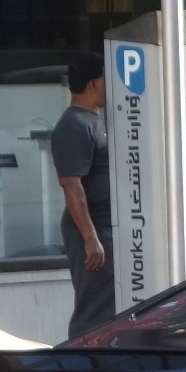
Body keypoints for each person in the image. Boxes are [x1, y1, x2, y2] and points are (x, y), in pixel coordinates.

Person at [53, 53, 115, 337]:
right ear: (93, 83)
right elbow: (71, 184)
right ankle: (83, 363)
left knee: (113, 307)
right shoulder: (73, 125)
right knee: (94, 308)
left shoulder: (98, 119)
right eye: (105, 78)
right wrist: (91, 239)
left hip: (109, 229)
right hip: (92, 230)